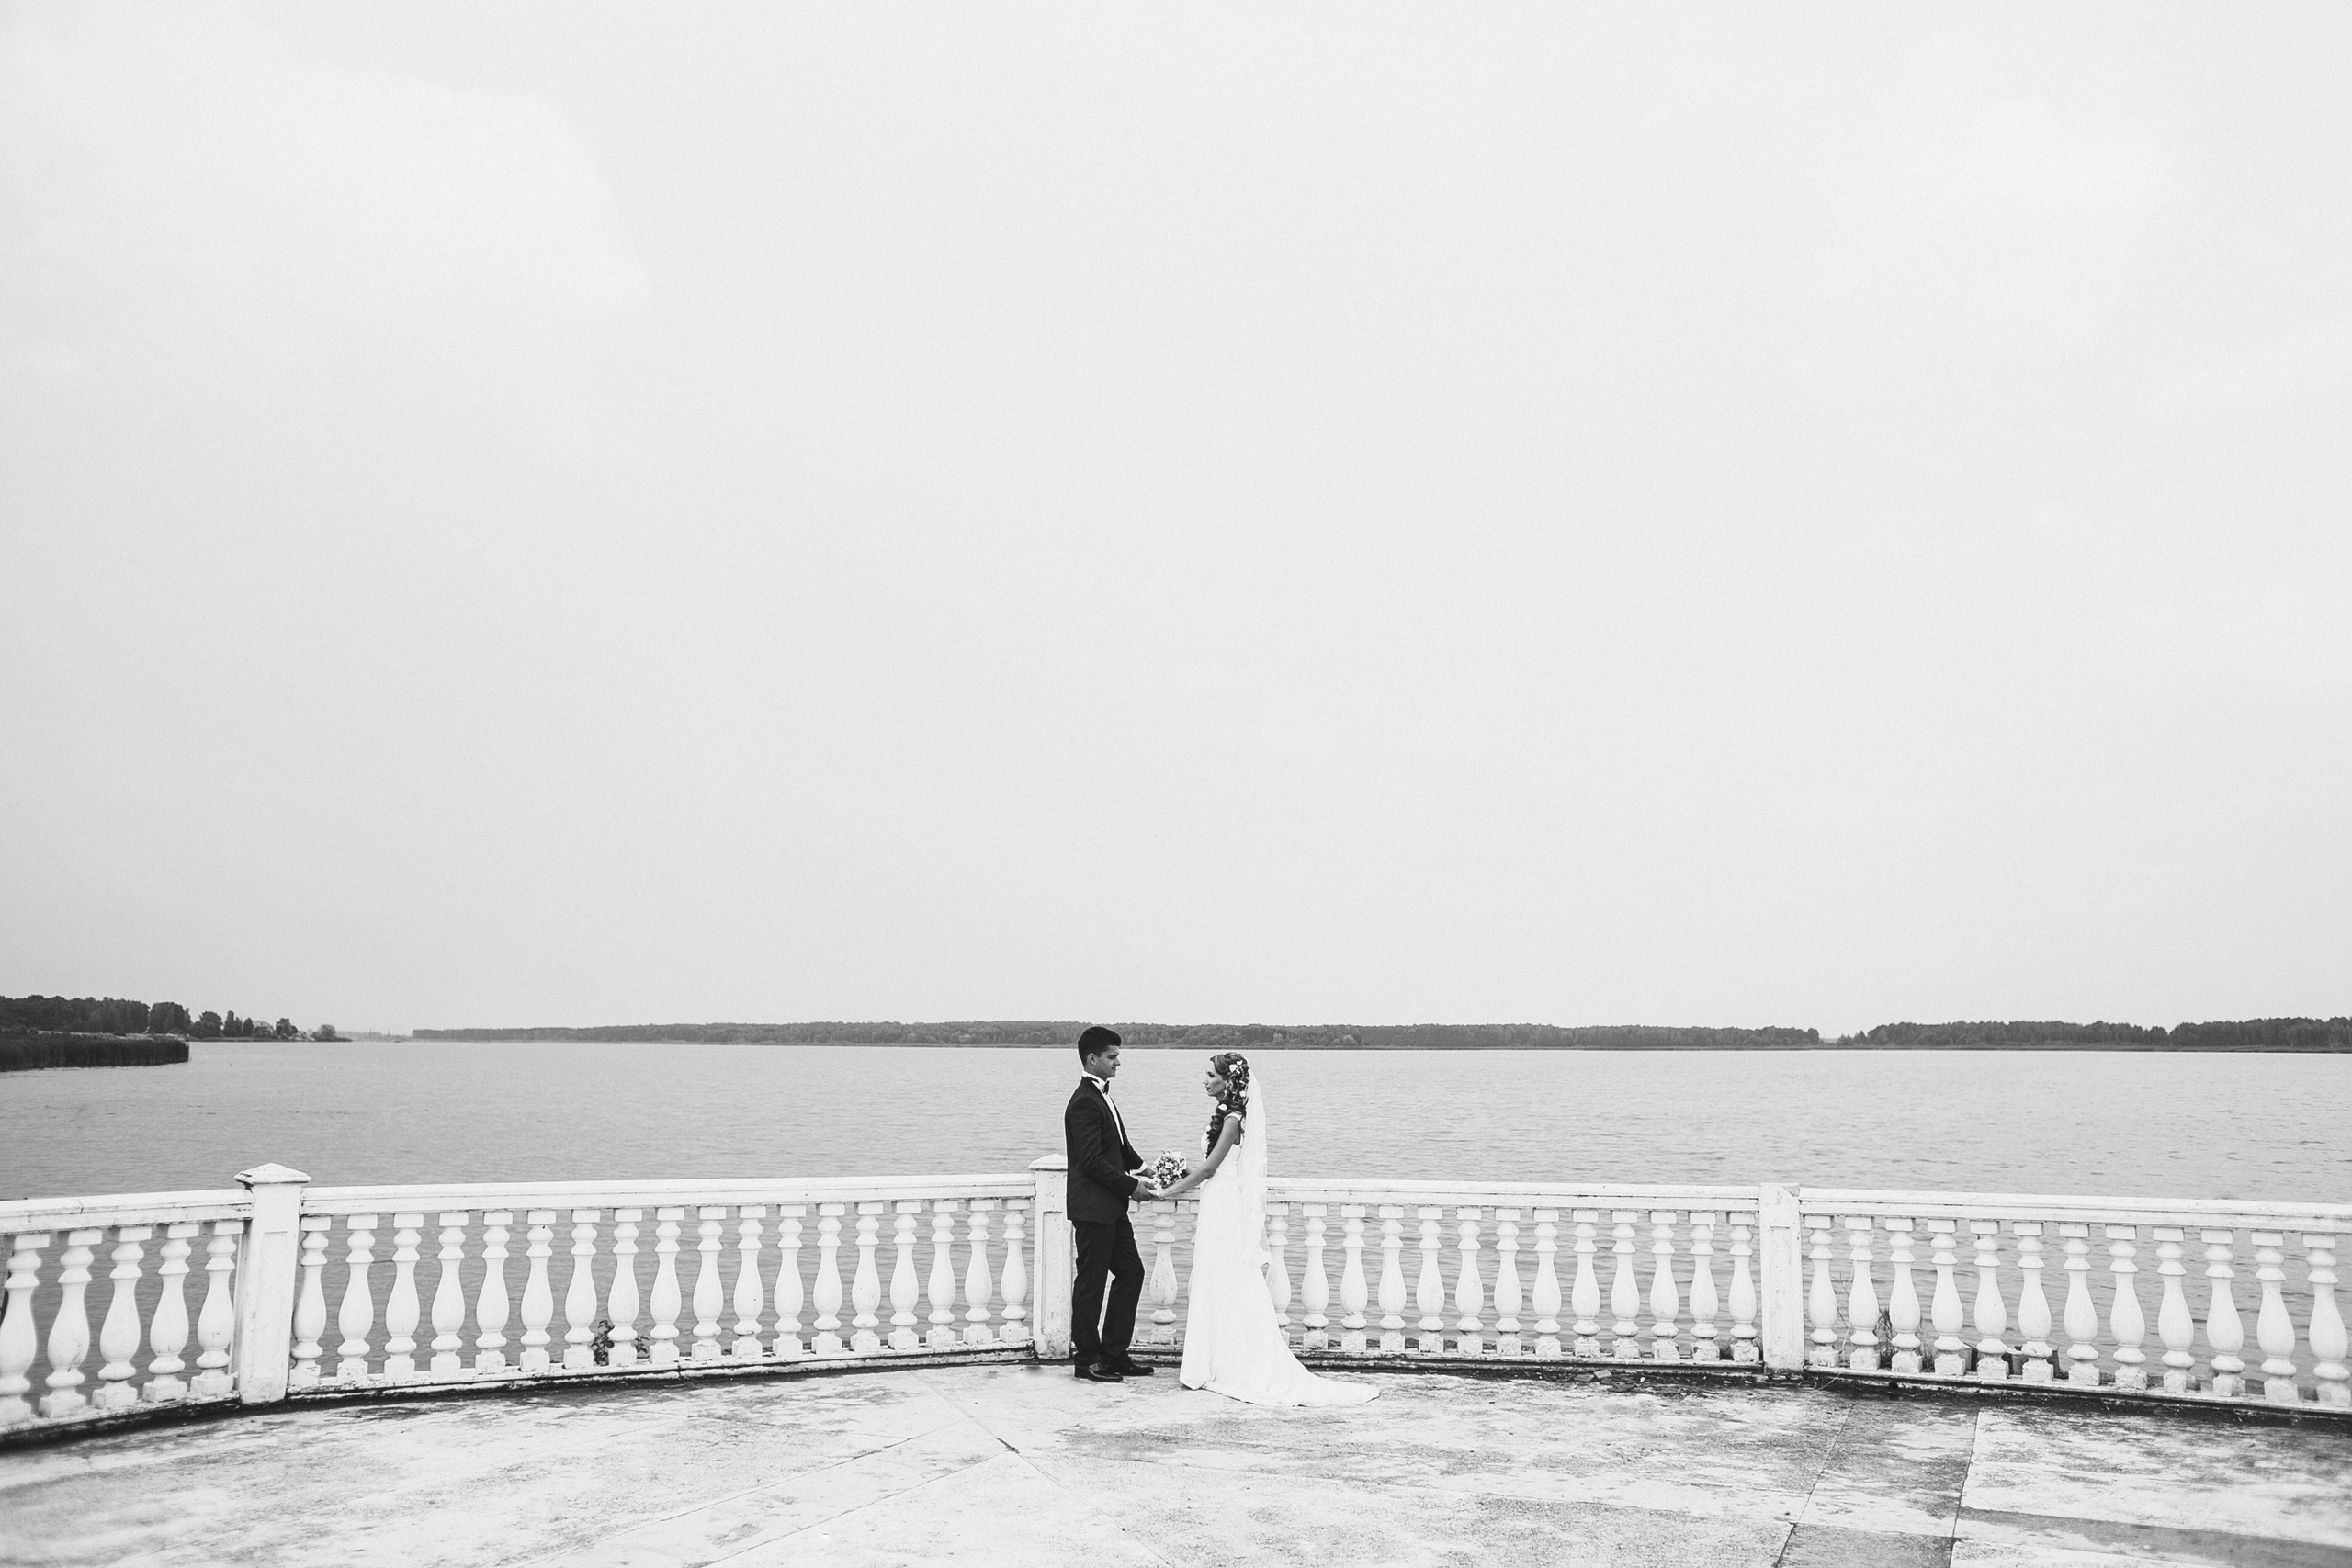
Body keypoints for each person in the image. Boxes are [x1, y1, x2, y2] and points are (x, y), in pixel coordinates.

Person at [1154, 1053, 1378, 1406]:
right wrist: (1177, 1176)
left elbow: (1211, 1169)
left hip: (1225, 1207)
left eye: (1211, 1075)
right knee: (1215, 1278)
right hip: (1217, 1204)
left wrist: (1169, 1190)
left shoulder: (1233, 1120)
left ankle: (1238, 1362)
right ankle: (1213, 1358)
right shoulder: (1225, 1116)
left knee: (1230, 1278)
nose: (1205, 1080)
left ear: (1228, 1081)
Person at [1063, 1025, 1159, 1383]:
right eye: (1112, 1057)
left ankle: (1115, 1353)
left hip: (1112, 1209)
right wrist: (1131, 1186)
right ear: (1092, 1058)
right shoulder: (1084, 1101)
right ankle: (1087, 1359)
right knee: (1091, 1284)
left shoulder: (1101, 1096)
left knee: (1131, 1272)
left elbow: (1117, 1147)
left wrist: (1148, 1169)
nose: (1119, 1062)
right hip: (1092, 1210)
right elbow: (1090, 1161)